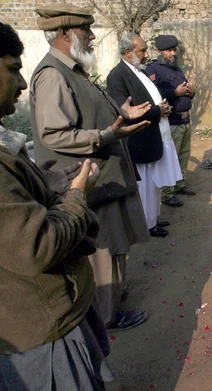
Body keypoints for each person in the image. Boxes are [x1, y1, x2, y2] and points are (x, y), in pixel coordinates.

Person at [0, 22, 115, 389]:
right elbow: (35, 246)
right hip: (41, 329)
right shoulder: (51, 75)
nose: (21, 83)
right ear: (67, 32)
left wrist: (40, 185)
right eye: (12, 68)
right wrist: (76, 195)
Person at [30, 3, 150, 331]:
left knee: (113, 250)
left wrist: (120, 113)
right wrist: (107, 134)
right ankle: (108, 316)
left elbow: (86, 114)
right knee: (102, 255)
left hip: (105, 181)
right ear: (66, 33)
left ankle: (112, 303)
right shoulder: (52, 73)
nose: (93, 36)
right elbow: (54, 134)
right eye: (86, 30)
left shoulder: (71, 68)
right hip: (89, 184)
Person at [107, 33, 183, 238]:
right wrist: (158, 111)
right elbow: (126, 112)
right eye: (142, 50)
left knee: (154, 185)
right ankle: (147, 225)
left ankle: (153, 219)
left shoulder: (139, 71)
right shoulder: (117, 76)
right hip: (140, 139)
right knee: (146, 186)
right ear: (127, 52)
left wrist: (162, 107)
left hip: (154, 135)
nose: (146, 54)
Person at [146, 35, 197, 208]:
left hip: (184, 120)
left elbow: (184, 90)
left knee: (183, 155)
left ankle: (179, 185)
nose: (173, 53)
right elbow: (153, 94)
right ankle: (167, 194)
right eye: (169, 50)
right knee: (170, 159)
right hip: (171, 122)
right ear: (159, 52)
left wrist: (190, 91)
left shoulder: (175, 68)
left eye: (174, 49)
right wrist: (175, 92)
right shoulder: (154, 70)